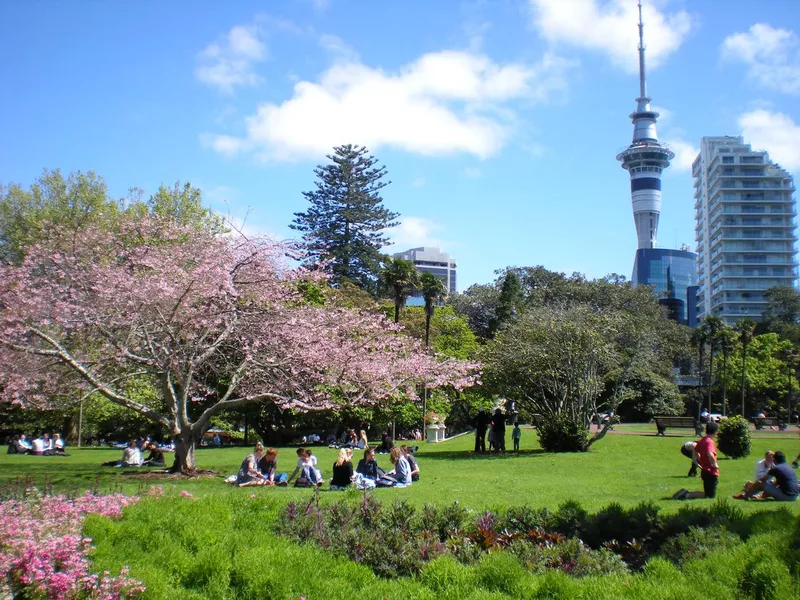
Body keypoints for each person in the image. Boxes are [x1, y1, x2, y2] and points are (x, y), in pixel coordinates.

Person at [673, 422, 719, 500]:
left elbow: (696, 451)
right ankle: (685, 495)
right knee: (710, 495)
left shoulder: (702, 440)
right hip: (710, 471)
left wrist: (700, 459)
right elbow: (710, 453)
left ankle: (684, 493)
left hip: (705, 471)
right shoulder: (710, 442)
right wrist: (714, 464)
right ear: (715, 431)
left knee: (708, 493)